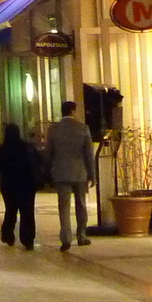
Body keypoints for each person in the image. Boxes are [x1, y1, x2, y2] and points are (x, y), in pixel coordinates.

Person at [45, 100, 96, 249]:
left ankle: (66, 238)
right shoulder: (83, 129)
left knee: (64, 206)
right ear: (73, 111)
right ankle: (81, 235)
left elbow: (49, 153)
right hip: (80, 173)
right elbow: (89, 154)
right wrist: (92, 174)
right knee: (81, 204)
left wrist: (47, 171)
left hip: (61, 173)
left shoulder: (54, 129)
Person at [0, 122, 43, 249]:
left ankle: (8, 235)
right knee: (27, 212)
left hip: (8, 185)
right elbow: (38, 162)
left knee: (10, 211)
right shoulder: (27, 147)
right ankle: (27, 239)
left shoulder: (2, 150)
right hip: (27, 185)